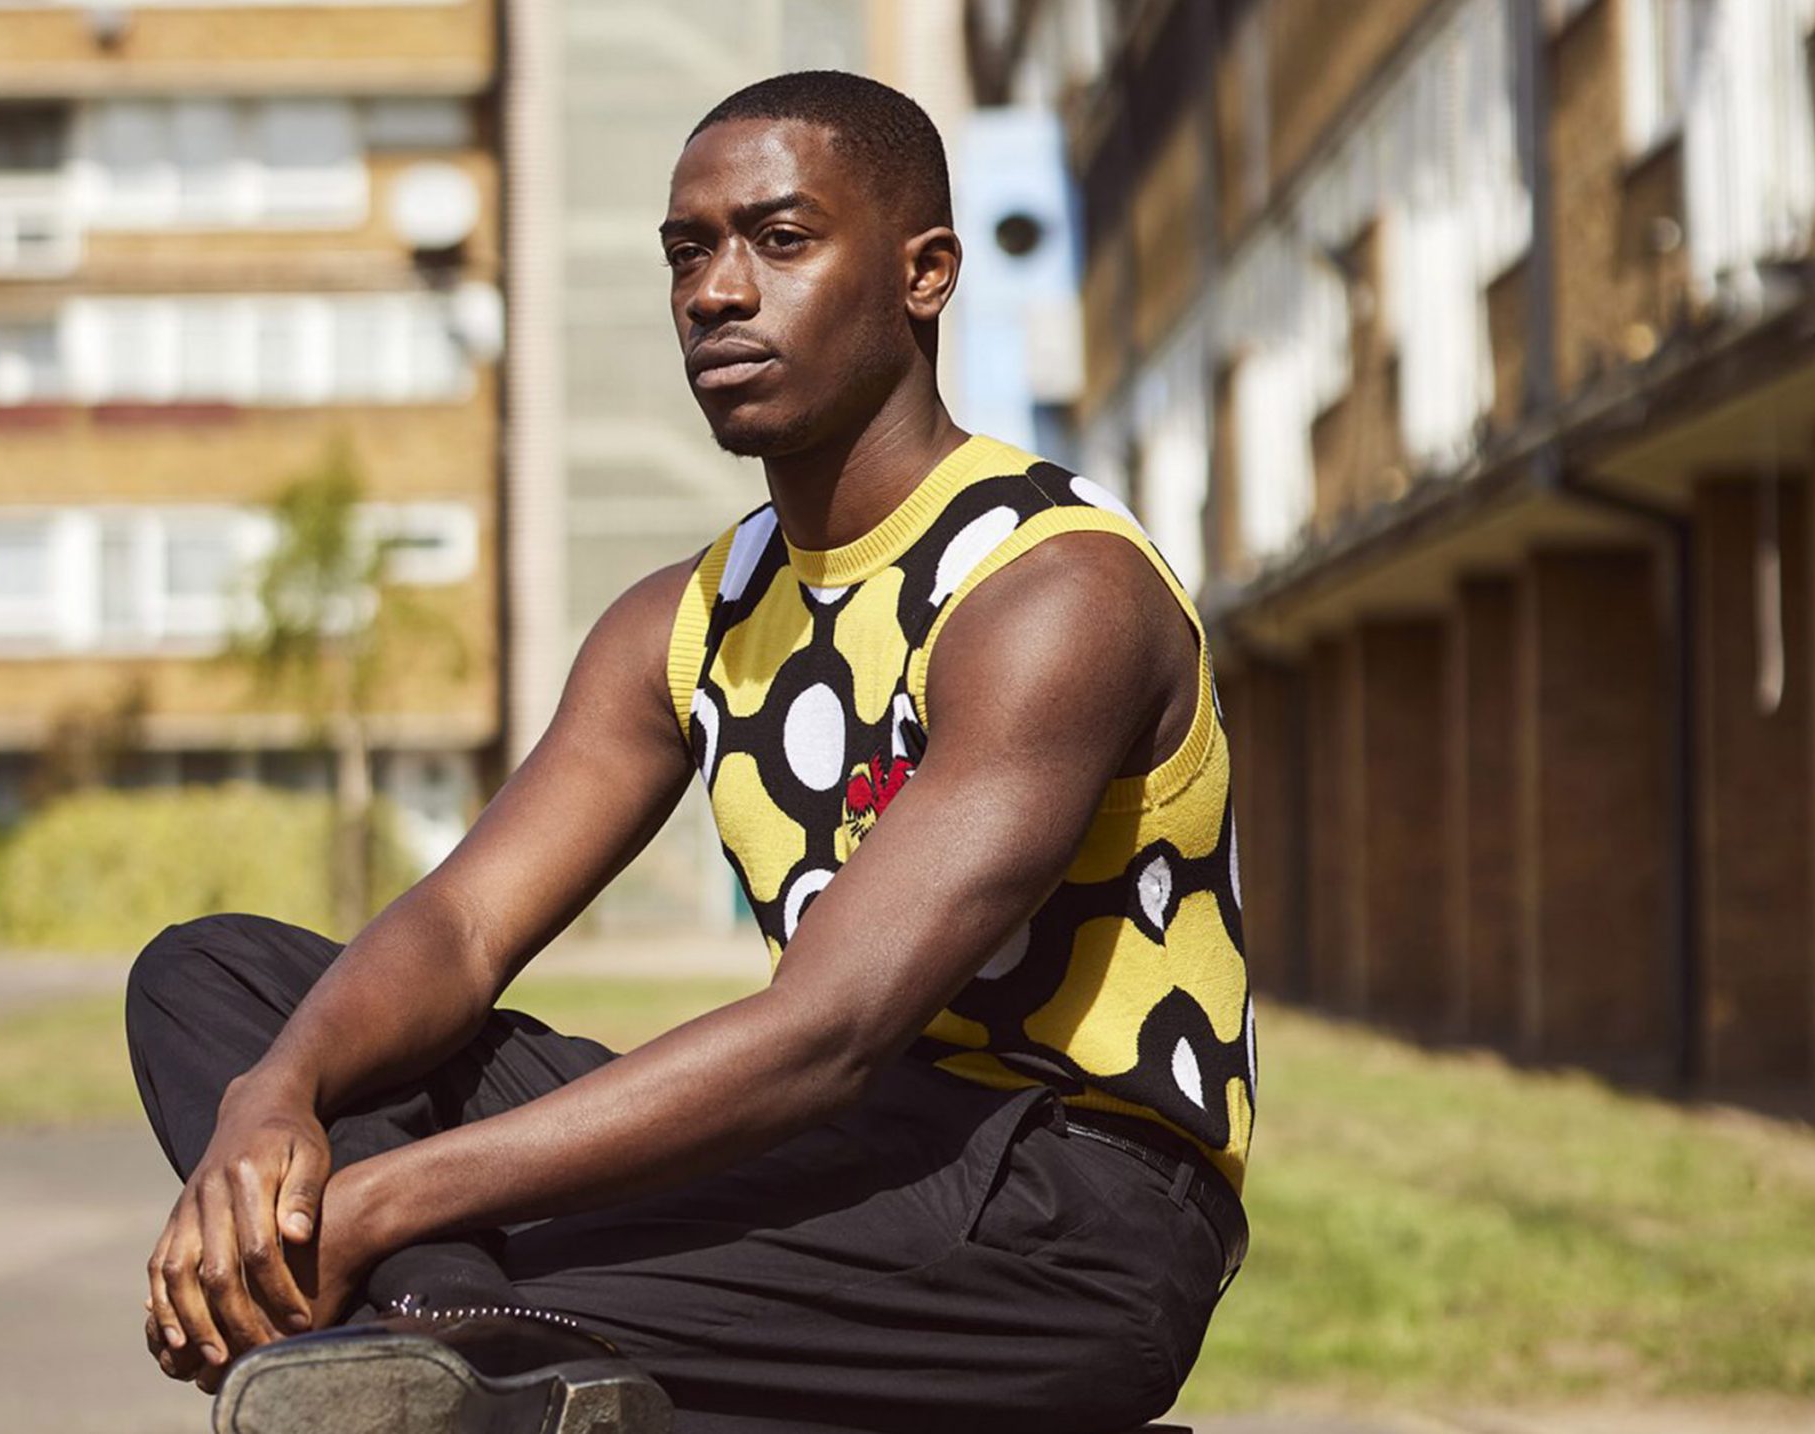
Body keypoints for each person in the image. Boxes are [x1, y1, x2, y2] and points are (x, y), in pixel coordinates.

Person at [124, 69, 1254, 1434]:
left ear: (925, 273)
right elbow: (465, 925)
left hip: (1066, 1218)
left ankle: (436, 1319)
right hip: (835, 1160)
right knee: (218, 978)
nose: (718, 291)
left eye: (780, 239)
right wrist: (273, 1103)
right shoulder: (684, 619)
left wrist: (373, 1199)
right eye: (688, 250)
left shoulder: (1048, 591)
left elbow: (826, 1030)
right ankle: (447, 1326)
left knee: (451, 1207)